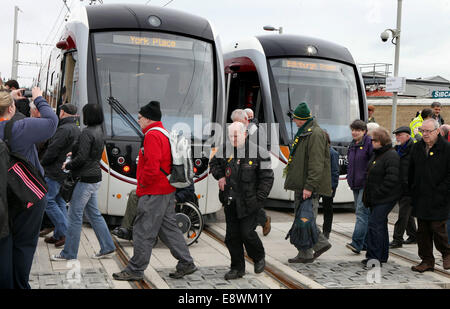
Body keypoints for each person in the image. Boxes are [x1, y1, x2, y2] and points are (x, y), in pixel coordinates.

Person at [113, 101, 197, 281]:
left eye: (140, 117)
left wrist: (142, 185)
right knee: (168, 228)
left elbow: (152, 166)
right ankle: (186, 262)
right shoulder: (163, 133)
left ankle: (135, 269)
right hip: (166, 190)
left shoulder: (151, 136)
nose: (138, 120)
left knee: (143, 231)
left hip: (154, 191)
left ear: (148, 118)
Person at [0, 86, 58, 289]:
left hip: (2, 200)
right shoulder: (20, 128)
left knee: (3, 243)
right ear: (10, 109)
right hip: (27, 196)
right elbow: (52, 122)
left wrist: (8, 96)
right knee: (23, 244)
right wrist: (39, 98)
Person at [51, 104, 115, 261]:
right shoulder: (100, 131)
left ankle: (68, 253)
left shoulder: (86, 132)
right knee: (94, 214)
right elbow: (91, 154)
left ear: (88, 116)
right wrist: (75, 152)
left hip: (85, 179)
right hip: (95, 178)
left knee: (74, 215)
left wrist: (68, 164)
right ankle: (107, 247)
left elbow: (82, 158)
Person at [209, 121, 274, 279]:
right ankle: (237, 268)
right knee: (232, 237)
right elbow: (213, 164)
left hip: (249, 202)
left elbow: (267, 178)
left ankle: (258, 256)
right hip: (230, 201)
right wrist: (221, 175)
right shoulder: (225, 149)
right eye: (231, 135)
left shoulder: (259, 153)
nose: (233, 138)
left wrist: (259, 199)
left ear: (245, 134)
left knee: (247, 234)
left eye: (236, 135)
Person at [284, 102, 332, 263]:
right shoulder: (305, 132)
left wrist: (309, 187)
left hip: (308, 186)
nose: (294, 121)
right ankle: (308, 250)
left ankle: (316, 246)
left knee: (305, 219)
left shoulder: (315, 134)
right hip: (303, 184)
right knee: (303, 218)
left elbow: (316, 163)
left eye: (296, 118)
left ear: (302, 119)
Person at [408, 119, 450, 272]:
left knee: (437, 227)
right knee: (423, 231)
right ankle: (426, 261)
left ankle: (447, 253)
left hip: (440, 197)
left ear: (437, 131)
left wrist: (442, 190)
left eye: (428, 131)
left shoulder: (446, 148)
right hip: (421, 196)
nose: (424, 134)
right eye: (422, 131)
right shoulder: (417, 148)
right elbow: (411, 170)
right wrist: (410, 189)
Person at [41, 104, 80, 248]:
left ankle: (64, 232)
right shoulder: (76, 128)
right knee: (59, 201)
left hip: (54, 170)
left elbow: (53, 150)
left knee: (48, 201)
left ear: (62, 112)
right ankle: (58, 234)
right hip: (65, 171)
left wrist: (42, 163)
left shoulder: (63, 129)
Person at [362, 127, 401, 267]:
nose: (371, 142)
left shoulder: (391, 155)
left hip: (385, 198)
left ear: (381, 141)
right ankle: (382, 255)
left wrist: (377, 193)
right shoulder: (377, 154)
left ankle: (374, 257)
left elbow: (392, 179)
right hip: (376, 198)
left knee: (374, 225)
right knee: (380, 226)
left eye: (374, 140)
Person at [232, 108, 272, 236]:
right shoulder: (241, 130)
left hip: (253, 170)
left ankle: (263, 221)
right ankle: (256, 224)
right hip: (245, 169)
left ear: (247, 119)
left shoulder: (255, 131)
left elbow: (263, 150)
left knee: (252, 202)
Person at [112, 184, 197, 241]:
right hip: (160, 192)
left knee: (136, 196)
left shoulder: (183, 166)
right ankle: (128, 228)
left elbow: (189, 190)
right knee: (134, 194)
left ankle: (131, 230)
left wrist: (176, 198)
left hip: (167, 196)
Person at [346, 120, 373, 254]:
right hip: (355, 183)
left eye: (358, 130)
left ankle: (356, 243)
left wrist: (367, 179)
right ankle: (365, 244)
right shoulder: (352, 144)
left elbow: (371, 164)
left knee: (361, 213)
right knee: (364, 214)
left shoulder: (369, 144)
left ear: (364, 131)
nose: (354, 132)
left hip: (365, 184)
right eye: (353, 130)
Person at [389, 126, 417, 249]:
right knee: (407, 214)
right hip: (399, 186)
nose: (397, 137)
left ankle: (397, 239)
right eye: (396, 135)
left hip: (409, 187)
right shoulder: (397, 149)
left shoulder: (414, 149)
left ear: (408, 136)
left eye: (400, 135)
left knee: (403, 214)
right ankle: (413, 236)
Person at [321, 131, 339, 239]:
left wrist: (332, 186)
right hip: (318, 184)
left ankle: (326, 231)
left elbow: (335, 172)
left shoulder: (332, 153)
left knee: (327, 208)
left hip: (328, 186)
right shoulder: (318, 151)